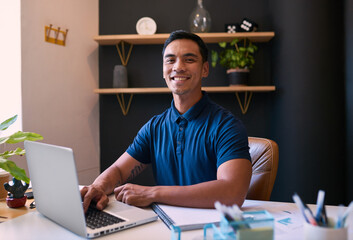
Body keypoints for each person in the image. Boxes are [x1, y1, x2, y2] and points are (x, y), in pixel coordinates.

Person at [81, 30, 252, 212]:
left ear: (205, 69)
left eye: (189, 59)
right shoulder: (154, 127)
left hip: (212, 229)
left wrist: (153, 193)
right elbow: (119, 170)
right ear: (163, 70)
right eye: (170, 60)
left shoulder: (227, 126)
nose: (178, 67)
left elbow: (233, 193)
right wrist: (98, 186)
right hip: (165, 227)